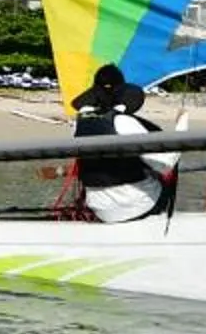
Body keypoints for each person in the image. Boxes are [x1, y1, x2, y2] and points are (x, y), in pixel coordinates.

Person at [70, 64, 168, 222]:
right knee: (162, 180)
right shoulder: (124, 121)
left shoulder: (79, 124)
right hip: (136, 205)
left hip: (99, 208)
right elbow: (164, 165)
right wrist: (181, 127)